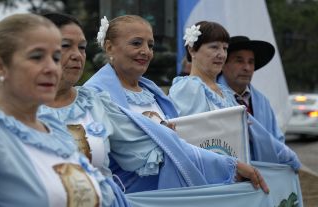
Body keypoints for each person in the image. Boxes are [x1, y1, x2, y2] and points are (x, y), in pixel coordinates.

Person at [0, 13, 125, 207]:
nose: (52, 68)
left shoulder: (55, 130)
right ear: (0, 67)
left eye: (56, 57)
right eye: (37, 57)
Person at [84, 15, 269, 194]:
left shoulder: (151, 92)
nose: (146, 51)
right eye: (136, 43)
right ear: (109, 47)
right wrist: (230, 165)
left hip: (166, 192)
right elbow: (148, 152)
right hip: (134, 197)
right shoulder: (99, 94)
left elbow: (180, 141)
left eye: (150, 45)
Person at [168, 21, 301, 171]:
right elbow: (190, 140)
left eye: (225, 48)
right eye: (214, 47)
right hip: (210, 176)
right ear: (192, 49)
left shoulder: (224, 92)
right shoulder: (189, 88)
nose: (221, 54)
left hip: (235, 175)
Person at [217, 36, 285, 143]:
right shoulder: (209, 96)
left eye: (251, 62)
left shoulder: (263, 102)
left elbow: (278, 142)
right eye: (239, 61)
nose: (247, 68)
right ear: (223, 64)